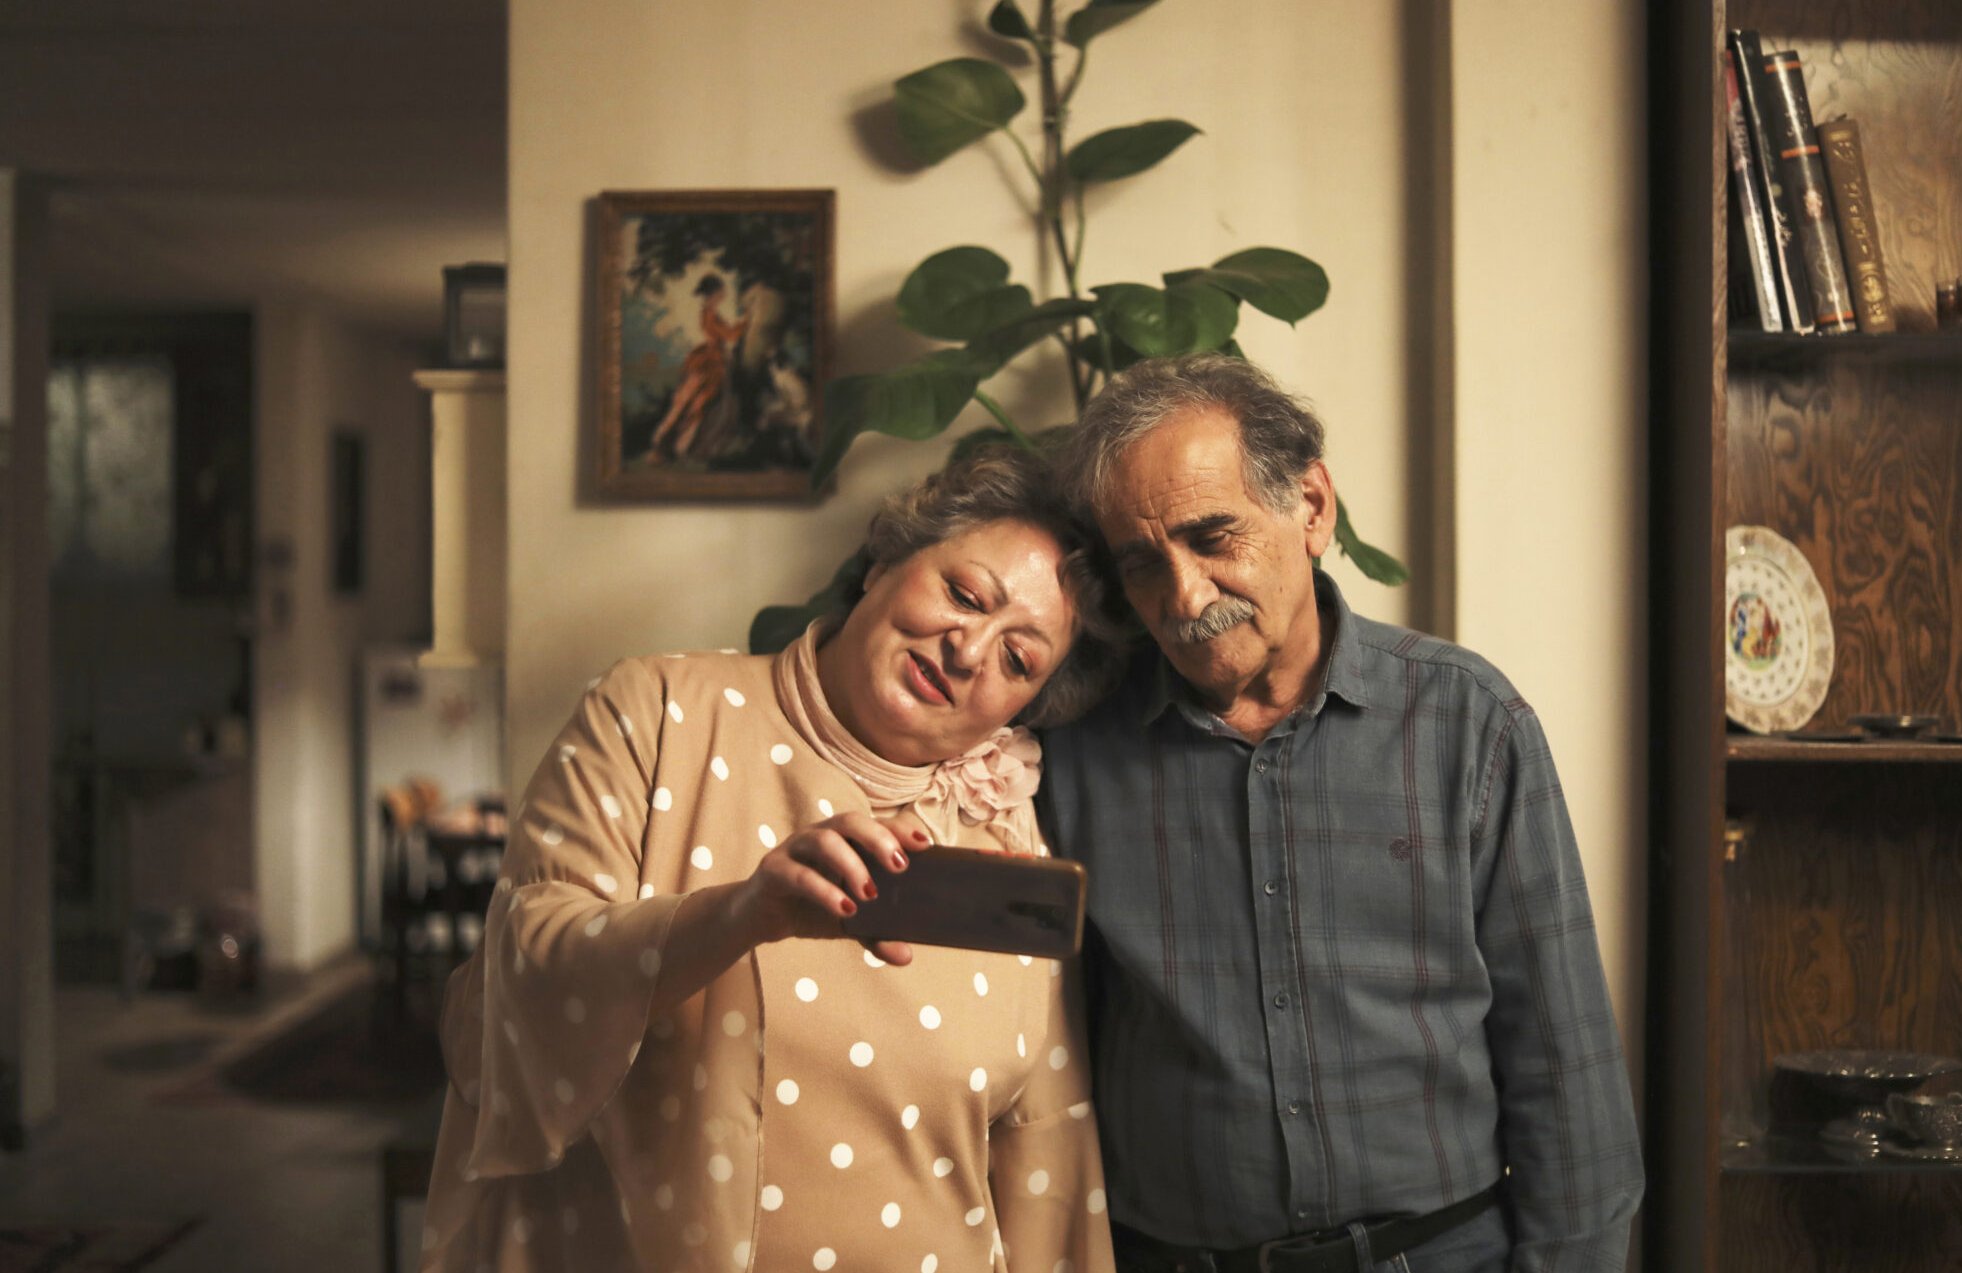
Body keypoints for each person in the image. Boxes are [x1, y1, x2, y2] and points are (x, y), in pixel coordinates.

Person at [420, 446, 1125, 1271]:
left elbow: (1047, 1142)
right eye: (965, 595)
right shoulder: (655, 710)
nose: (970, 650)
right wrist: (740, 914)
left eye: (1018, 659)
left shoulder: (1006, 821)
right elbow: (518, 983)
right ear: (883, 562)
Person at [1039, 354, 1644, 1272]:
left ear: (1311, 507)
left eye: (1212, 536)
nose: (1185, 595)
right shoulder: (1071, 751)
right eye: (1143, 564)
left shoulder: (1468, 723)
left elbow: (1567, 1071)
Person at [649, 272, 747, 462]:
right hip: (710, 361)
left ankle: (678, 446)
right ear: (713, 294)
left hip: (712, 357)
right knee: (694, 403)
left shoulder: (710, 312)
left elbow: (727, 334)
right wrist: (745, 323)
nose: (723, 295)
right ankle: (669, 446)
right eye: (721, 292)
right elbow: (730, 336)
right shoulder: (710, 314)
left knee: (693, 404)